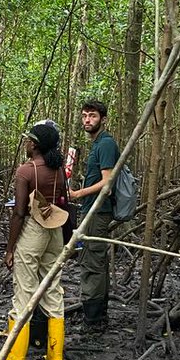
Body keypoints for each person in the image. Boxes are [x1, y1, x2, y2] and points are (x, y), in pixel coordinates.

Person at [2, 121, 69, 360]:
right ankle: (56, 356)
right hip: (56, 231)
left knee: (24, 292)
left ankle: (16, 359)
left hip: (33, 230)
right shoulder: (58, 168)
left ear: (36, 145)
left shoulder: (26, 171)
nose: (27, 143)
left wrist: (10, 248)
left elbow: (19, 212)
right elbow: (64, 199)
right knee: (53, 289)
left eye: (30, 140)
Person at [68, 98, 119, 328]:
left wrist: (78, 194)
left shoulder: (106, 144)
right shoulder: (97, 144)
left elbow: (107, 182)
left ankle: (94, 319)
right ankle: (96, 315)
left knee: (92, 262)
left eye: (93, 116)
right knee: (94, 260)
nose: (87, 120)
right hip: (92, 209)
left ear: (103, 119)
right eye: (85, 116)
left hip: (98, 212)